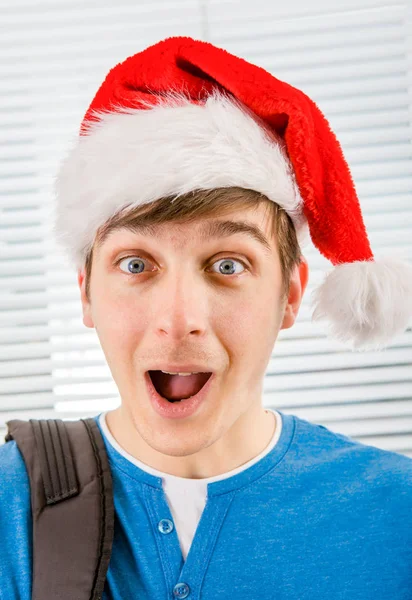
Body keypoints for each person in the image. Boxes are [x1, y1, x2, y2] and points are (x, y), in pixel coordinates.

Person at [1, 35, 411, 599]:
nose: (178, 319)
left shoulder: (397, 516)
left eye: (226, 263)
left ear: (290, 295)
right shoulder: (8, 510)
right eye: (137, 262)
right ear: (86, 294)